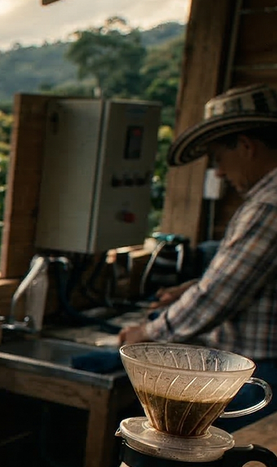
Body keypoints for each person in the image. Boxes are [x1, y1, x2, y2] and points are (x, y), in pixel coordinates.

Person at [118, 83, 277, 430]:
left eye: (219, 158)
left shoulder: (268, 205)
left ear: (247, 146)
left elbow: (219, 296)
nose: (219, 172)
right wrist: (192, 287)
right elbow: (252, 280)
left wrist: (148, 332)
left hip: (260, 377)